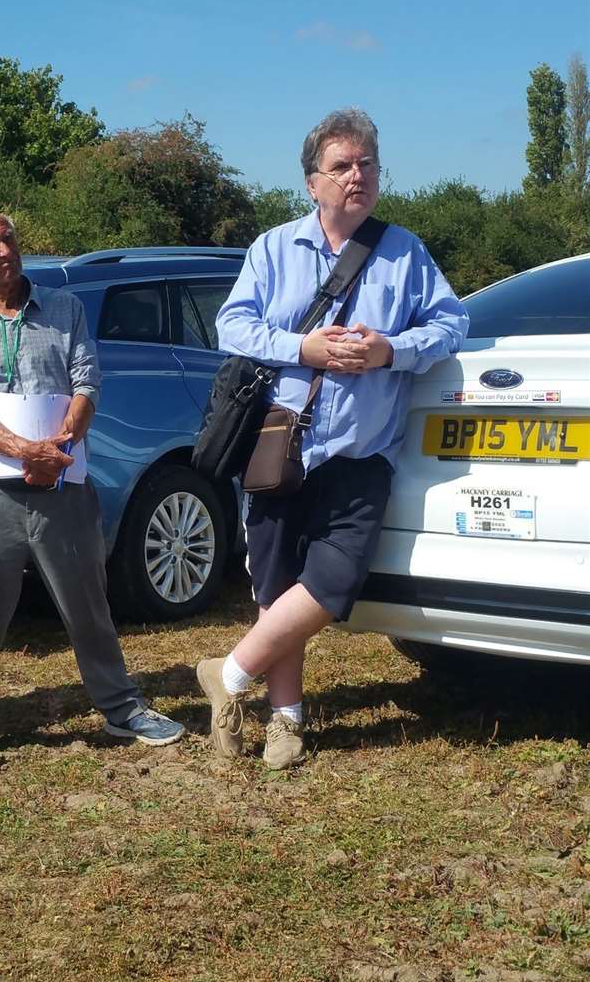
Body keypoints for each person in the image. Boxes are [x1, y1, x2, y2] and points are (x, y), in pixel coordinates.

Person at [200, 109, 467, 769]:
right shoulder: (272, 248)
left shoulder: (403, 251)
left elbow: (450, 323)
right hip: (276, 442)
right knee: (273, 584)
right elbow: (230, 326)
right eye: (341, 166)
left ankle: (227, 674)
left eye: (366, 164)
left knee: (332, 584)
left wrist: (390, 350)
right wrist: (303, 346)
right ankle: (285, 722)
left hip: (360, 452)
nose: (357, 177)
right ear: (311, 182)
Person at [0, 208, 185, 773]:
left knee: (88, 605)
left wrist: (60, 446)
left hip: (64, 484)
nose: (4, 251)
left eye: (9, 239)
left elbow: (87, 381)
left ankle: (121, 707)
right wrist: (25, 453)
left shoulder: (66, 310)